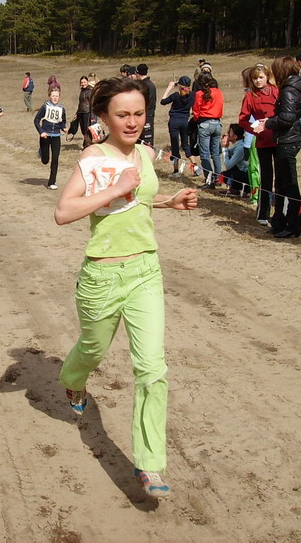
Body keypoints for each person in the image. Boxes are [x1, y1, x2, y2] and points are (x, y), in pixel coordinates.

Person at [53, 76, 198, 500]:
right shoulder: (93, 158)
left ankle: (150, 463)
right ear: (103, 117)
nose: (132, 122)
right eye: (123, 115)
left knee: (152, 369)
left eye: (138, 113)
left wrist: (170, 202)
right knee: (92, 350)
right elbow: (63, 213)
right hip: (102, 277)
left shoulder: (146, 155)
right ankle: (73, 379)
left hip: (145, 273)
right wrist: (114, 187)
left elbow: (137, 201)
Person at [252, 57, 301, 238]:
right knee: (281, 184)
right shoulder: (290, 87)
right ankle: (279, 221)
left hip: (288, 140)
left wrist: (268, 123)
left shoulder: (289, 90)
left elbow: (287, 118)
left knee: (289, 184)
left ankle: (292, 225)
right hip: (285, 139)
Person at [239, 64, 279, 223]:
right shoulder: (250, 97)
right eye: (255, 78)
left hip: (278, 138)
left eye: (261, 77)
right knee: (266, 176)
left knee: (281, 176)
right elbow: (243, 119)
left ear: (267, 77)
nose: (258, 81)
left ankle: (281, 210)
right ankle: (263, 212)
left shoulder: (276, 91)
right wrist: (254, 128)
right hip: (262, 141)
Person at [191, 72, 224, 187]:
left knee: (204, 154)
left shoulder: (199, 94)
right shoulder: (218, 92)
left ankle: (209, 180)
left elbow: (196, 110)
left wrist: (196, 118)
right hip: (217, 123)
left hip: (204, 123)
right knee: (216, 153)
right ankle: (218, 178)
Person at [34, 87, 67, 189]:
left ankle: (52, 182)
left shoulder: (62, 109)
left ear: (59, 97)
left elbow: (62, 122)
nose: (55, 98)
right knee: (45, 160)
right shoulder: (45, 106)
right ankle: (42, 152)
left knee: (55, 159)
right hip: (45, 136)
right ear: (50, 96)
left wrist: (64, 129)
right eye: (53, 96)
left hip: (56, 136)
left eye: (57, 96)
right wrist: (41, 132)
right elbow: (36, 120)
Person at [160, 76, 194, 171]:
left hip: (174, 121)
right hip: (184, 121)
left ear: (179, 85)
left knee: (175, 146)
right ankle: (195, 166)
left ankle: (176, 170)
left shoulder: (175, 95)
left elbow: (162, 101)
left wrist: (169, 88)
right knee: (185, 145)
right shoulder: (192, 95)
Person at [220, 123, 249, 197]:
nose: (227, 134)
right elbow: (229, 152)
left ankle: (243, 189)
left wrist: (225, 148)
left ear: (235, 136)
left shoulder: (240, 148)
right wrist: (223, 145)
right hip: (242, 171)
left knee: (224, 175)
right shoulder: (239, 144)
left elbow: (228, 166)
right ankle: (234, 189)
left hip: (246, 175)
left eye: (229, 132)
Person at [136, 64, 157, 147]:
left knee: (146, 137)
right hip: (149, 113)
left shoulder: (144, 85)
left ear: (138, 73)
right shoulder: (150, 84)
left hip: (146, 114)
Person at [70, 75, 95, 147]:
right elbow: (80, 104)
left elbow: (92, 104)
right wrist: (76, 113)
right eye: (81, 82)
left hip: (87, 112)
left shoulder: (90, 91)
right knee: (83, 130)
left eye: (84, 82)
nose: (83, 84)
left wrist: (92, 116)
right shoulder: (82, 91)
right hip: (81, 112)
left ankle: (87, 145)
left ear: (87, 82)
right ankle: (87, 144)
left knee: (86, 130)